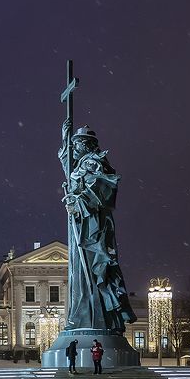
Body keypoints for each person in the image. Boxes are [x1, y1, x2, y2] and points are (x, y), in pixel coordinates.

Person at [58, 122, 138, 334]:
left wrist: (78, 201)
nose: (74, 149)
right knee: (80, 271)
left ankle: (95, 316)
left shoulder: (93, 162)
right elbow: (68, 168)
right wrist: (65, 138)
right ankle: (84, 315)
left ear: (86, 145)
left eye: (76, 144)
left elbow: (102, 191)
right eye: (73, 145)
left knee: (92, 269)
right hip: (82, 223)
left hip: (93, 226)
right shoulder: (81, 163)